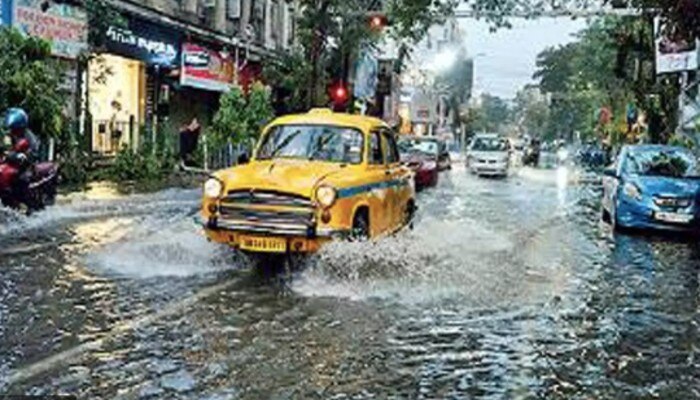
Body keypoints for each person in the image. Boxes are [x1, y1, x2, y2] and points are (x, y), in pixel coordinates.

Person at [3, 108, 40, 201]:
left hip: (26, 166)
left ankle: (26, 205)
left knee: (23, 179)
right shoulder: (9, 135)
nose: (13, 131)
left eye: (15, 129)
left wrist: (25, 156)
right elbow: (6, 147)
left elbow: (34, 151)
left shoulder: (29, 136)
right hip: (10, 163)